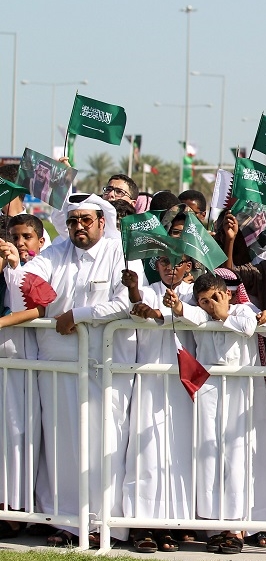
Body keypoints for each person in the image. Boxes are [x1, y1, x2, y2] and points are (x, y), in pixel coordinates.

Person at [5, 194, 134, 547]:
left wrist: (78, 315)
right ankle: (65, 520)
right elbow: (28, 282)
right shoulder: (56, 252)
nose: (79, 227)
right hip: (57, 365)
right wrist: (16, 266)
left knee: (102, 444)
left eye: (86, 220)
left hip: (102, 367)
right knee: (61, 444)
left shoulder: (117, 252)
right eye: (73, 221)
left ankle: (101, 524)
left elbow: (124, 303)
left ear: (102, 222)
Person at [168, 272, 266, 553]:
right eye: (204, 301)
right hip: (210, 392)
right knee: (210, 456)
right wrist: (178, 306)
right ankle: (215, 526)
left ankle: (239, 525)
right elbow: (189, 314)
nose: (211, 304)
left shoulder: (243, 310)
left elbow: (249, 327)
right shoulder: (201, 316)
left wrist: (222, 313)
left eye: (216, 296)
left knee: (240, 456)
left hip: (242, 395)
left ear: (228, 293)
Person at [120, 253, 195, 553]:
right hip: (149, 382)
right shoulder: (148, 290)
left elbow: (195, 315)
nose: (169, 267)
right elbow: (138, 307)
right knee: (145, 454)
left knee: (179, 455)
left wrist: (160, 314)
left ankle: (173, 523)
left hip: (183, 386)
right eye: (163, 261)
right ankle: (142, 523)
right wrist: (133, 291)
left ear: (188, 266)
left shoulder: (194, 292)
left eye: (177, 262)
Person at [0, 214, 47, 539]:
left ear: (39, 241)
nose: (20, 243)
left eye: (26, 237)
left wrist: (17, 268)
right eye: (14, 237)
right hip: (9, 362)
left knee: (22, 435)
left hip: (28, 361)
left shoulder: (41, 267)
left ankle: (19, 510)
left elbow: (39, 308)